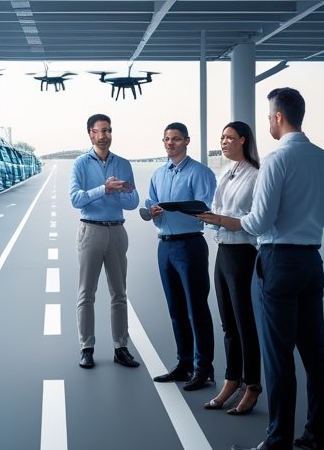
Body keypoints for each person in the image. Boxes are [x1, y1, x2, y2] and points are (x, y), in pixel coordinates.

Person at [201, 87, 324, 450]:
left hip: (279, 260)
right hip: (312, 262)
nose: (267, 123)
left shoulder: (277, 161)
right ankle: (317, 434)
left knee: (278, 357)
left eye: (268, 117)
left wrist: (226, 220)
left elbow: (258, 222)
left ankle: (278, 443)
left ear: (278, 117)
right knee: (316, 354)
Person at [146, 123, 218, 390]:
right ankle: (184, 363)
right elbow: (149, 203)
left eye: (175, 139)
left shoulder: (200, 173)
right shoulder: (158, 174)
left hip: (190, 245)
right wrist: (151, 211)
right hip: (164, 245)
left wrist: (176, 208)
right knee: (176, 310)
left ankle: (204, 368)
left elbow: (206, 207)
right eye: (166, 139)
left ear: (187, 141)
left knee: (196, 309)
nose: (170, 143)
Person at [199, 121, 262, 415]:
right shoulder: (226, 172)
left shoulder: (257, 175)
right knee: (227, 323)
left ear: (243, 141)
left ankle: (252, 385)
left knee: (245, 323)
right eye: (222, 137)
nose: (223, 142)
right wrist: (218, 217)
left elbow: (250, 218)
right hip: (223, 251)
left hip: (243, 254)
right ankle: (231, 379)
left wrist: (220, 217)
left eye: (229, 137)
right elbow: (217, 208)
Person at [69, 114, 141, 370]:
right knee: (86, 293)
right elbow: (76, 199)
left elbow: (133, 203)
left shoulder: (122, 163)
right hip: (91, 231)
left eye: (108, 130)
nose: (104, 136)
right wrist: (104, 189)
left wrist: (122, 192)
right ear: (90, 134)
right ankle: (86, 348)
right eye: (99, 131)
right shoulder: (79, 163)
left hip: (117, 232)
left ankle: (121, 348)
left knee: (119, 293)